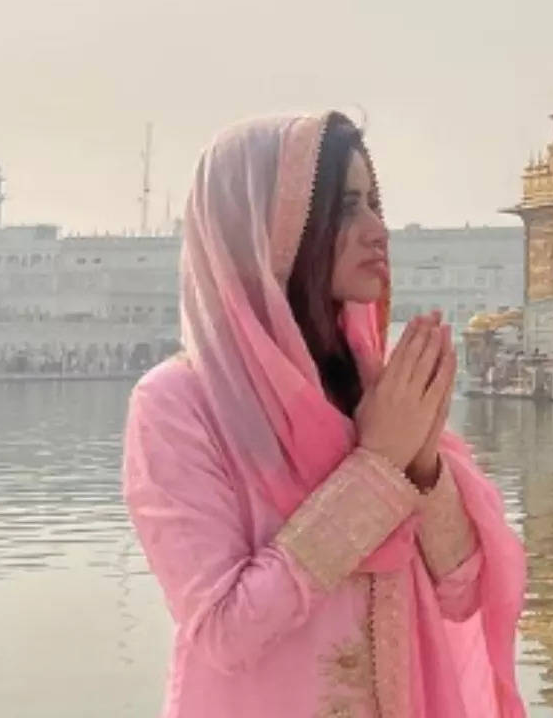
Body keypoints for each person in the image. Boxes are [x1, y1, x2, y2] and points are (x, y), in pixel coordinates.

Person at [121, 112, 526, 718]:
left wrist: (420, 465)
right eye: (346, 208)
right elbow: (224, 631)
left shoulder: (368, 384)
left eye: (373, 204)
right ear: (267, 229)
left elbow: (463, 591)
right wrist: (377, 466)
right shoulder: (182, 405)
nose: (378, 231)